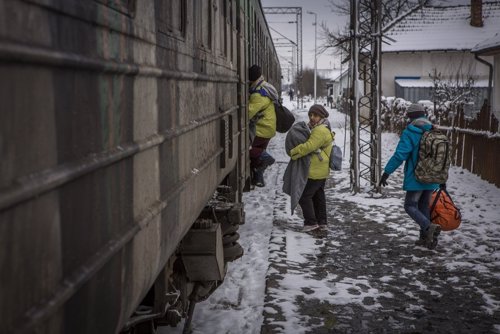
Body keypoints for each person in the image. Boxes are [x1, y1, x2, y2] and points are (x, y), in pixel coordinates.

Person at [379, 103, 441, 249]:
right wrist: (441, 178)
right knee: (423, 205)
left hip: (417, 177)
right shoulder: (434, 131)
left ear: (410, 117)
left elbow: (400, 155)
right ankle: (427, 239)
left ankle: (429, 227)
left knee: (410, 206)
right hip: (433, 176)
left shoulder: (411, 132)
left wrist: (387, 172)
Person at [289, 104, 333, 232]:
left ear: (322, 116)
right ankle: (322, 222)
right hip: (321, 169)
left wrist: (294, 152)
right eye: (310, 115)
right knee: (318, 195)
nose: (312, 117)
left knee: (304, 195)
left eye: (315, 115)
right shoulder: (323, 128)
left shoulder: (320, 130)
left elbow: (309, 146)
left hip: (316, 170)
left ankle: (311, 222)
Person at [248, 64, 278, 187]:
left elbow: (248, 113)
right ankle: (259, 179)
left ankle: (265, 156)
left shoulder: (258, 94)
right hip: (267, 128)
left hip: (262, 129)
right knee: (257, 161)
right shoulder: (263, 87)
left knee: (246, 150)